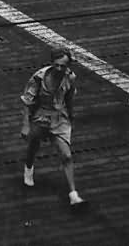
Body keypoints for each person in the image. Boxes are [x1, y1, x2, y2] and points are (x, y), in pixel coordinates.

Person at [21, 48, 85, 208]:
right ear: (52, 63)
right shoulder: (38, 77)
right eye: (57, 65)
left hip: (60, 118)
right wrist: (25, 125)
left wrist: (71, 115)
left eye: (63, 66)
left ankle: (73, 194)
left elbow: (69, 97)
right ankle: (28, 167)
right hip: (41, 115)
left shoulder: (70, 77)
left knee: (67, 155)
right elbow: (27, 102)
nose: (59, 69)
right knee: (33, 145)